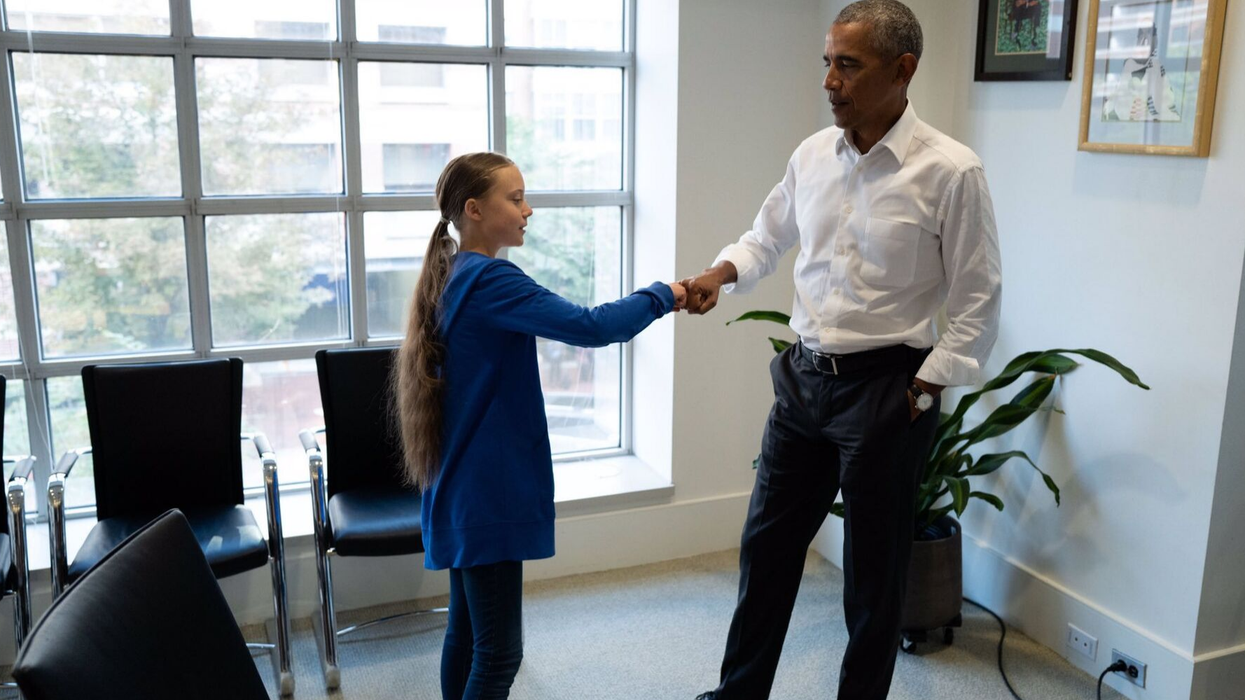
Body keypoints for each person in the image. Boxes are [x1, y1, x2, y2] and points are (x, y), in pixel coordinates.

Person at [682, 2, 1002, 698]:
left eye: (847, 65)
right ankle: (739, 694)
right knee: (765, 551)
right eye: (826, 62)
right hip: (802, 383)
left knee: (872, 577)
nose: (829, 80)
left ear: (902, 69)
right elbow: (765, 238)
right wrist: (720, 273)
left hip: (887, 392)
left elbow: (977, 300)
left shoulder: (951, 172)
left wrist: (924, 388)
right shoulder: (809, 156)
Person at [393, 151, 686, 700]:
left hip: (459, 487)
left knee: (466, 635)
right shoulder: (491, 281)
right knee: (500, 652)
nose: (529, 210)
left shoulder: (452, 273)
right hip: (489, 492)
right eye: (517, 198)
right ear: (475, 209)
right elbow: (593, 326)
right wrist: (662, 295)